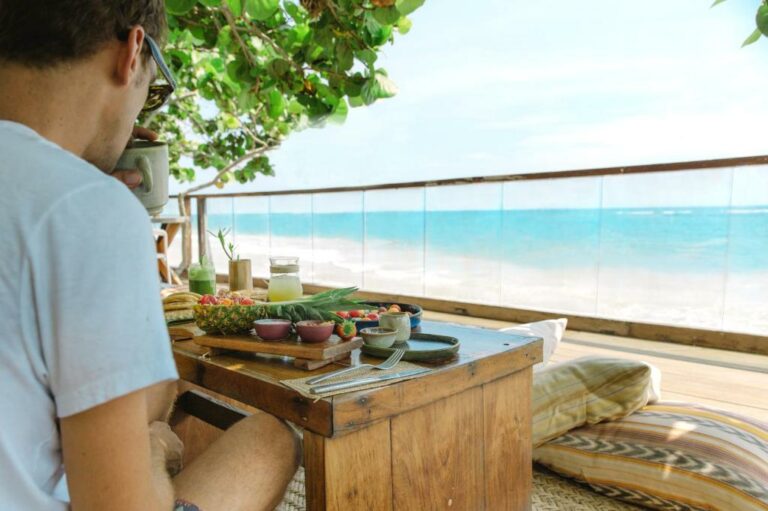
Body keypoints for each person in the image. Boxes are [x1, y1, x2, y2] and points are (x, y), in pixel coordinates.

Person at [0, 2, 299, 510]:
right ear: (132, 53)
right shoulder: (84, 207)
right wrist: (151, 453)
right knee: (275, 439)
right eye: (153, 89)